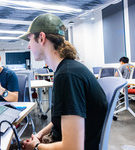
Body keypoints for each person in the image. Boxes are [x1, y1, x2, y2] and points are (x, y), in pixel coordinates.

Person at [18, 13, 108, 150]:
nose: (29, 47)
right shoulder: (68, 69)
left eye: (29, 40)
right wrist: (40, 134)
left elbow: (72, 147)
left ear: (41, 38)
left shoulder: (67, 76)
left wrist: (36, 146)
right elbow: (61, 119)